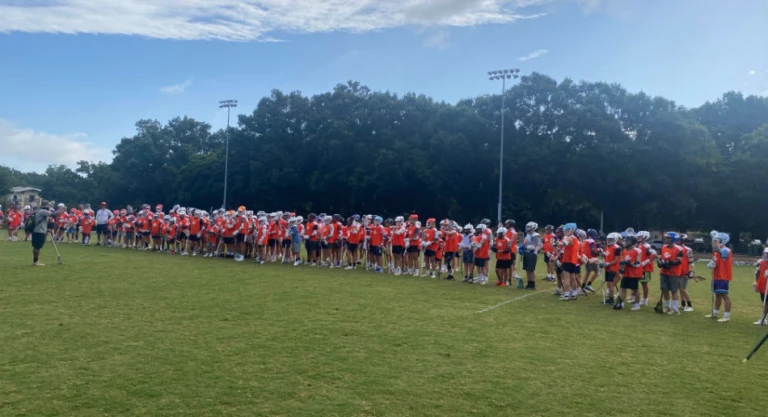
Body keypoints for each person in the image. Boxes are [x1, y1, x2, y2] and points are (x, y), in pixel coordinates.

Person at [706, 232, 733, 322]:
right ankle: (715, 312)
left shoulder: (726, 250)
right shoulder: (716, 252)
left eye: (716, 241)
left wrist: (717, 251)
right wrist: (712, 264)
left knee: (724, 295)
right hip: (716, 276)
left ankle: (726, 316)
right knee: (717, 295)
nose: (714, 243)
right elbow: (716, 262)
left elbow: (724, 256)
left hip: (723, 276)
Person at [30, 200, 65, 266]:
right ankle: (35, 261)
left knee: (37, 246)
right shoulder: (43, 211)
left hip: (37, 230)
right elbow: (54, 214)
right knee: (37, 246)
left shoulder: (38, 211)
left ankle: (35, 260)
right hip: (39, 231)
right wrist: (62, 210)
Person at [614, 235, 643, 311]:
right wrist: (621, 267)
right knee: (623, 288)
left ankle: (637, 305)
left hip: (634, 273)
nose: (626, 242)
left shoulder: (637, 250)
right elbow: (623, 261)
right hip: (626, 273)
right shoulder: (625, 250)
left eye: (628, 241)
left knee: (635, 289)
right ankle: (621, 302)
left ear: (632, 242)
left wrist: (629, 263)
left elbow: (638, 263)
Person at [658, 232, 684, 315]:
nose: (667, 239)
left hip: (674, 273)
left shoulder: (679, 249)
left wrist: (669, 263)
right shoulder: (663, 248)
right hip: (664, 272)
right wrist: (660, 262)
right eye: (666, 238)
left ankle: (675, 308)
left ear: (673, 239)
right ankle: (668, 307)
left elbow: (679, 261)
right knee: (665, 289)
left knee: (674, 291)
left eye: (669, 238)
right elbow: (660, 258)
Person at [753, 248, 768, 325]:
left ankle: (762, 319)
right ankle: (763, 319)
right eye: (765, 253)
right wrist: (756, 283)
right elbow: (757, 273)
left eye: (767, 254)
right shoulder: (761, 262)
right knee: (764, 302)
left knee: (766, 303)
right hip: (763, 285)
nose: (766, 255)